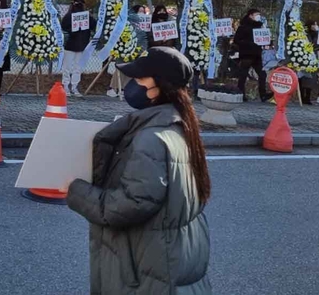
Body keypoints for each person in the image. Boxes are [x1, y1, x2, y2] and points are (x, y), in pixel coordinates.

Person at [66, 47, 212, 294]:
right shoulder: (181, 126)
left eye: (141, 78)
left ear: (160, 86)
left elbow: (129, 204)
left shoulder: (151, 137)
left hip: (143, 266)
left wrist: (75, 190)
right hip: (169, 256)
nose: (133, 83)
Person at [60, 0, 95, 97]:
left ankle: (74, 87)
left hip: (81, 45)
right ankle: (66, 86)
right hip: (70, 45)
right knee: (67, 67)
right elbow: (64, 27)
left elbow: (94, 25)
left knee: (77, 67)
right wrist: (73, 30)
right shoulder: (69, 15)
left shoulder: (86, 16)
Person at [233, 9, 269, 101]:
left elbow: (264, 39)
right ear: (250, 15)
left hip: (256, 54)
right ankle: (240, 94)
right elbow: (236, 40)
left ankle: (263, 94)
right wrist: (249, 43)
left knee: (262, 74)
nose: (258, 17)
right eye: (256, 15)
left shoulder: (260, 27)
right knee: (243, 75)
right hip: (246, 54)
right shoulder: (243, 27)